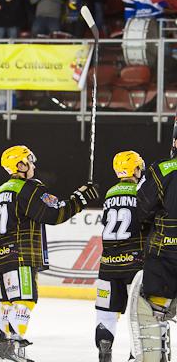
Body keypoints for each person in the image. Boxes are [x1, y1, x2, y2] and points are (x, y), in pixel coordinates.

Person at [0, 145, 98, 361]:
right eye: (29, 161)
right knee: (26, 299)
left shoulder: (1, 190)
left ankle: (2, 346)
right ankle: (13, 346)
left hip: (1, 253)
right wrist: (80, 199)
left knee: (6, 302)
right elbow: (55, 213)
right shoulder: (28, 188)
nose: (33, 165)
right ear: (20, 165)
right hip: (21, 253)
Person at [95, 151, 146, 362]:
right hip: (135, 263)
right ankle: (137, 354)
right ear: (135, 168)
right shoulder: (142, 190)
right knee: (139, 314)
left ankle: (104, 349)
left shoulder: (110, 192)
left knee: (106, 313)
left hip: (108, 264)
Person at [131, 138, 177, 362]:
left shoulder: (160, 169)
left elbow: (142, 210)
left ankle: (155, 355)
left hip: (164, 252)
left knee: (153, 310)